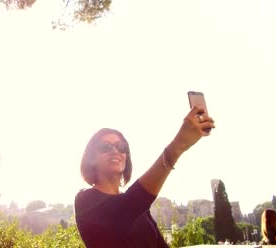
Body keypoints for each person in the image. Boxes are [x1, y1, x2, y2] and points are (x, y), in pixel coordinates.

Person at [74, 106, 215, 248]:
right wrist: (179, 144)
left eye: (121, 147)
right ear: (91, 158)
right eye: (105, 147)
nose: (115, 151)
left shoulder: (141, 209)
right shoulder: (85, 201)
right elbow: (127, 208)